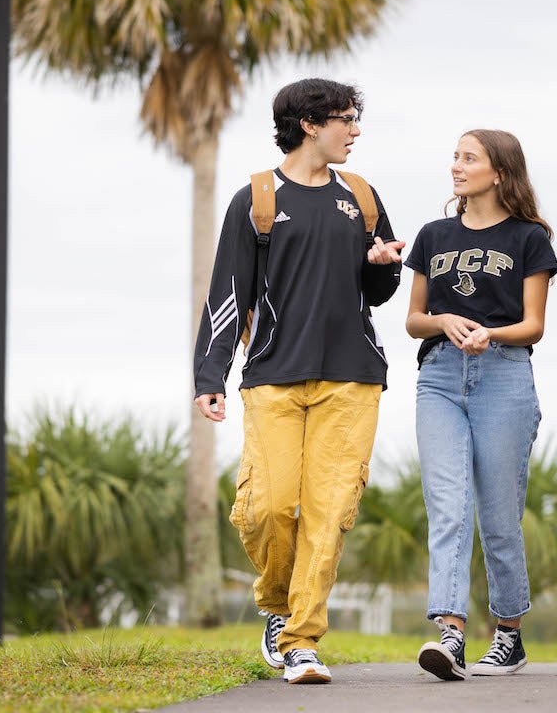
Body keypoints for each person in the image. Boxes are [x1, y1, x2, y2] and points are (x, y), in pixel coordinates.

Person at [192, 78, 404, 684]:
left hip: (353, 374)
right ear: (310, 123)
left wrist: (380, 265)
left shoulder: (360, 196)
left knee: (328, 510)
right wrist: (212, 374)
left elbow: (376, 292)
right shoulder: (256, 198)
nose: (355, 130)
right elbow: (227, 293)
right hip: (273, 376)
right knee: (268, 506)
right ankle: (277, 604)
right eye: (346, 119)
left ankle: (301, 639)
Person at [405, 129, 557, 681]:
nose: (456, 166)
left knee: (498, 516)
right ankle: (450, 634)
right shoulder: (432, 234)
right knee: (448, 508)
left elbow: (533, 325)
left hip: (504, 378)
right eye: (454, 156)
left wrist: (489, 335)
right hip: (440, 378)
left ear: (499, 172)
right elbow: (413, 319)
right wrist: (444, 322)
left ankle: (509, 635)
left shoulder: (530, 238)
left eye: (468, 158)